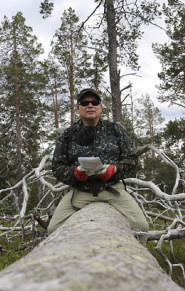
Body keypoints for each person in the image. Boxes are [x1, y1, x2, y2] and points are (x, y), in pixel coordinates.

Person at [47, 88, 149, 236]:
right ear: (78, 108)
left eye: (94, 102)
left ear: (100, 107)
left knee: (141, 228)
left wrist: (113, 170)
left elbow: (132, 161)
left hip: (113, 190)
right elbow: (57, 167)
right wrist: (74, 174)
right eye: (85, 102)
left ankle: (134, 257)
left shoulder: (115, 130)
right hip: (80, 191)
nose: (90, 105)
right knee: (53, 230)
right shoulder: (68, 135)